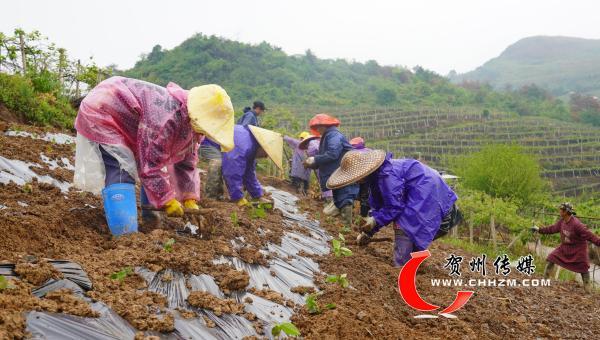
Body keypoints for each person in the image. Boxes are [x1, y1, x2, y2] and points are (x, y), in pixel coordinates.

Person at [74, 76, 234, 235]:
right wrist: (167, 200)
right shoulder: (167, 117)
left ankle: (150, 221)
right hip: (105, 109)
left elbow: (186, 163)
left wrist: (189, 198)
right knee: (121, 167)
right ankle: (126, 235)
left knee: (154, 168)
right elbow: (150, 164)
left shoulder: (194, 126)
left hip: (130, 121)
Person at [327, 150, 460, 267]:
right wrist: (369, 232)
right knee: (408, 231)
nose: (355, 181)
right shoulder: (376, 177)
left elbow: (394, 206)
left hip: (427, 193)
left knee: (404, 227)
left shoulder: (387, 175)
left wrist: (374, 221)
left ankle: (402, 268)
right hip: (425, 191)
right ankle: (412, 261)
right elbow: (381, 205)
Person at [303, 114, 359, 227]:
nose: (318, 129)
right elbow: (325, 158)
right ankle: (343, 226)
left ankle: (347, 228)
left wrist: (314, 159)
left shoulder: (333, 135)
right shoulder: (328, 136)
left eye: (319, 126)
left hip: (343, 173)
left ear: (325, 125)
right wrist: (313, 164)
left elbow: (333, 154)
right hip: (338, 174)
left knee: (344, 198)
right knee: (339, 199)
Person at [531, 203, 600, 292]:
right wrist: (539, 230)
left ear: (566, 212)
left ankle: (588, 290)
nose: (559, 211)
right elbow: (552, 229)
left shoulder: (577, 225)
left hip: (578, 250)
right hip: (565, 247)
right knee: (551, 258)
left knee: (583, 268)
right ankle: (545, 281)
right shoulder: (562, 221)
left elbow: (590, 236)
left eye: (561, 209)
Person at [222, 124, 283, 206]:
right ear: (262, 146)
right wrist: (238, 198)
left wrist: (258, 196)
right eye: (266, 154)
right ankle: (213, 199)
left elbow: (249, 175)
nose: (265, 157)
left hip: (223, 151)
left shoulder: (251, 147)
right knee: (217, 165)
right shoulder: (244, 146)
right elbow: (232, 172)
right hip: (210, 146)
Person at [350, 137, 371, 217]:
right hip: (368, 178)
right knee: (365, 197)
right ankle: (364, 216)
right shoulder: (370, 152)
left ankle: (353, 215)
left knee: (351, 195)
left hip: (355, 178)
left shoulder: (353, 154)